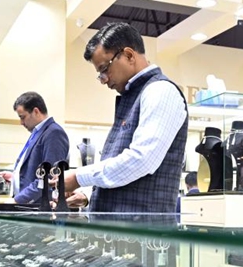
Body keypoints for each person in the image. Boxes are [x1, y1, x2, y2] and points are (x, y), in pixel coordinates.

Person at [59, 22, 188, 213]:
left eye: (104, 69)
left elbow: (141, 160)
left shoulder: (160, 91)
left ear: (128, 55)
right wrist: (88, 194)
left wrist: (79, 177)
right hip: (123, 234)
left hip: (144, 235)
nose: (103, 79)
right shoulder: (134, 96)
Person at [0, 92, 69, 204]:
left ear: (36, 111)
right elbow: (34, 170)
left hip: (39, 209)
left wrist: (18, 200)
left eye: (23, 117)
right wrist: (15, 177)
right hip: (28, 208)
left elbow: (49, 178)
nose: (21, 123)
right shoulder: (37, 133)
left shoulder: (54, 133)